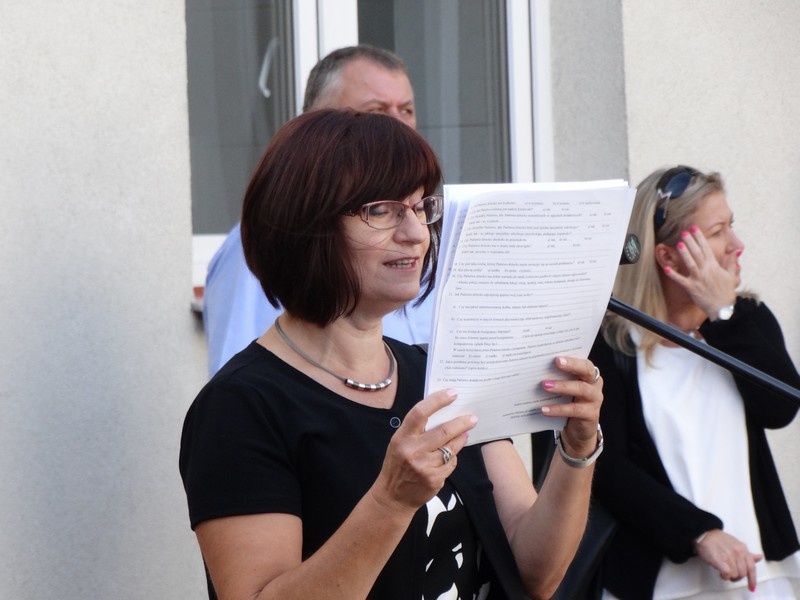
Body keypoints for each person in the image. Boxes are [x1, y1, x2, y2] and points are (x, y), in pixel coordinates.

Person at [180, 109, 606, 599]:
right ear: (305, 224)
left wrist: (577, 450)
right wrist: (390, 502)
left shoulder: (438, 375)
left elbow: (536, 573)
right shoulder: (240, 406)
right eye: (382, 211)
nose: (416, 233)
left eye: (421, 207)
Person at [589, 165, 800, 599]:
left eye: (731, 226)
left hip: (761, 578)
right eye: (718, 232)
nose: (737, 245)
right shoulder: (611, 343)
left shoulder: (746, 320)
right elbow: (606, 467)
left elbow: (781, 408)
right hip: (657, 583)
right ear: (668, 257)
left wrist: (724, 315)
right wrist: (698, 533)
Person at [203, 44, 431, 377]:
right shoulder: (276, 239)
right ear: (317, 123)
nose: (399, 126)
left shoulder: (420, 231)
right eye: (377, 112)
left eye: (407, 110)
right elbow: (242, 377)